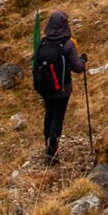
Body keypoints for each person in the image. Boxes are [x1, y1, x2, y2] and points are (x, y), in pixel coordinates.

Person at [33, 10, 87, 163]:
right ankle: (52, 152)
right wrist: (83, 61)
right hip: (62, 88)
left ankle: (47, 143)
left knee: (49, 113)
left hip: (45, 87)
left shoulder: (42, 42)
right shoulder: (67, 44)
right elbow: (77, 68)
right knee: (58, 116)